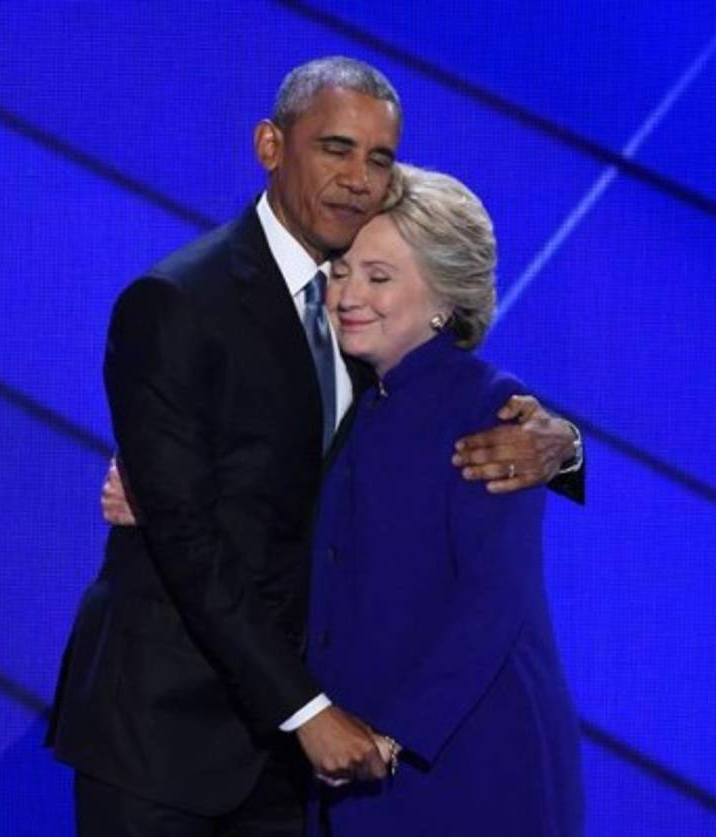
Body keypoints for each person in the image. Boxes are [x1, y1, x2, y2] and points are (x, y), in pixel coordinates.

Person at [48, 56, 583, 836]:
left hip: (319, 757)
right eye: (336, 148)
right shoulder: (176, 302)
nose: (359, 177)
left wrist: (564, 445)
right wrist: (166, 503)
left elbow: (454, 443)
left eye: (380, 158)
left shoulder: (382, 345)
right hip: (171, 738)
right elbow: (192, 534)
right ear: (271, 145)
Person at [306, 164, 582, 835]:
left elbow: (495, 600)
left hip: (465, 769)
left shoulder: (491, 408)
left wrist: (392, 737)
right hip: (353, 767)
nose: (348, 293)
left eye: (380, 276)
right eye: (342, 269)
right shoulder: (354, 396)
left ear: (442, 300)